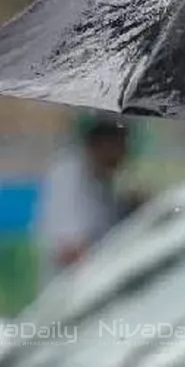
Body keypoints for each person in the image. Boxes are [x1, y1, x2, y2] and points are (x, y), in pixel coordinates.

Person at [37, 114, 138, 280]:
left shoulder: (103, 182)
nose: (125, 154)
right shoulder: (68, 175)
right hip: (72, 287)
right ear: (103, 144)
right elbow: (69, 248)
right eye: (121, 145)